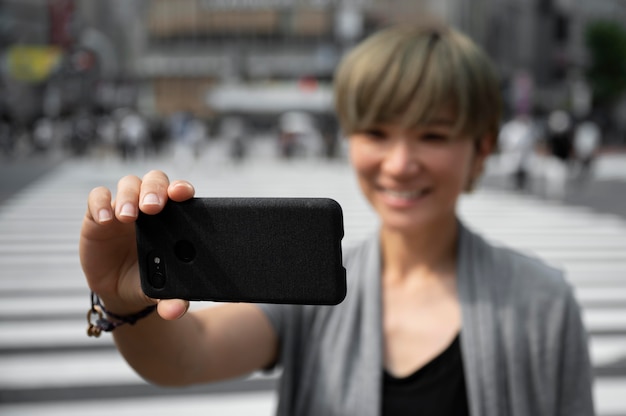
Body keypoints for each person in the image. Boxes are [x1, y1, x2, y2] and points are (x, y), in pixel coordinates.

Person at [80, 23, 595, 416]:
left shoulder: (543, 299)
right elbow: (187, 358)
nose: (398, 163)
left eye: (433, 136)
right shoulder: (310, 288)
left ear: (481, 149)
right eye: (375, 133)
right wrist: (127, 301)